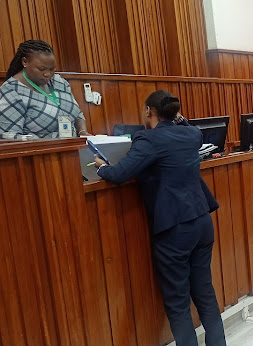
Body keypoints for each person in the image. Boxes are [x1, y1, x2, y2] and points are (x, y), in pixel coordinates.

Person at [95, 91, 226, 345]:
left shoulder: (148, 139)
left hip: (175, 229)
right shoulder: (191, 134)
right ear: (175, 113)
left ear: (147, 111)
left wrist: (101, 166)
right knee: (204, 292)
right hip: (201, 222)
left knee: (178, 301)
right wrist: (179, 117)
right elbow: (190, 129)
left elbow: (119, 174)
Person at [0, 40, 90, 138]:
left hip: (73, 148)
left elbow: (77, 113)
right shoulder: (11, 91)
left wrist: (82, 132)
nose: (48, 74)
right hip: (40, 152)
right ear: (25, 62)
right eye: (41, 69)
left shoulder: (59, 82)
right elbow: (9, 136)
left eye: (52, 69)